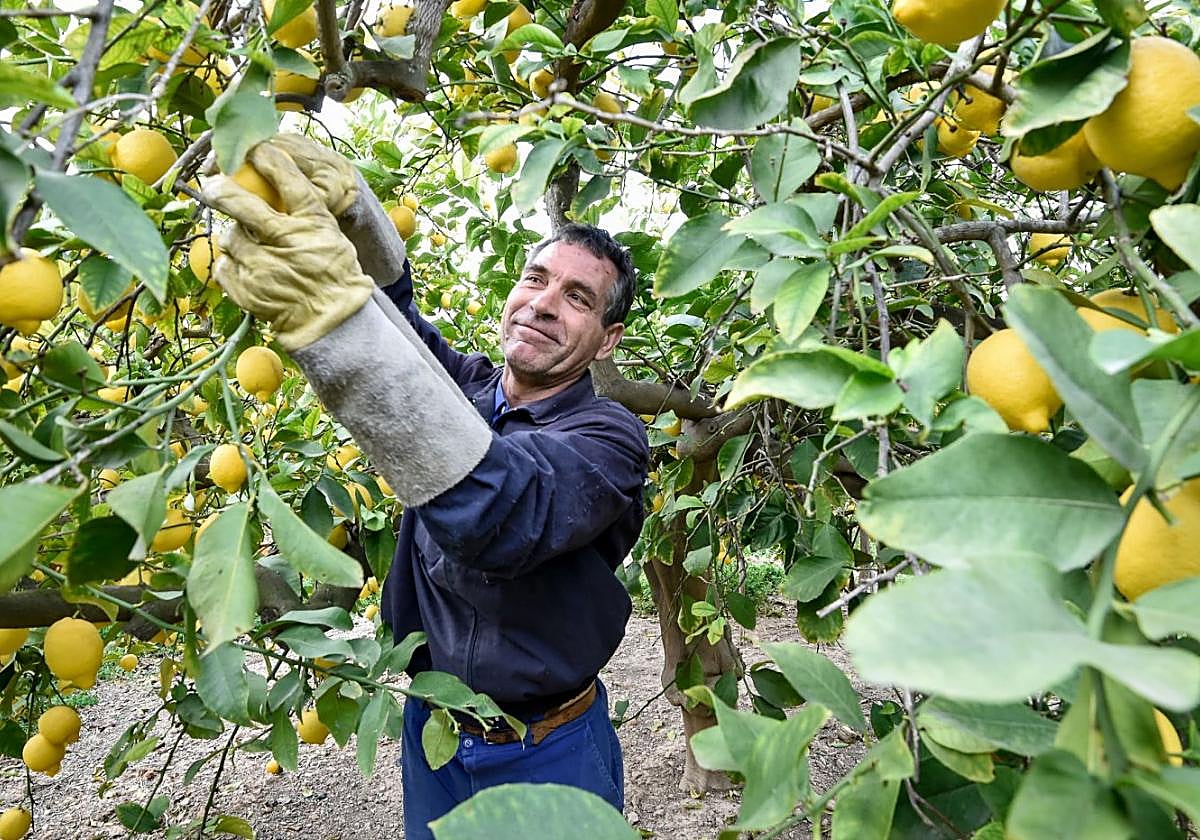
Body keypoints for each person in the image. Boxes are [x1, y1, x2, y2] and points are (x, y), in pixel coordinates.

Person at [203, 134, 648, 840]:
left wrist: (335, 329)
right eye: (535, 279)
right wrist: (356, 218)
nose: (542, 304)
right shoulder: (467, 389)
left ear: (607, 338)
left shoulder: (609, 438)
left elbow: (501, 514)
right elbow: (396, 321)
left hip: (547, 749)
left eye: (577, 298)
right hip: (432, 731)